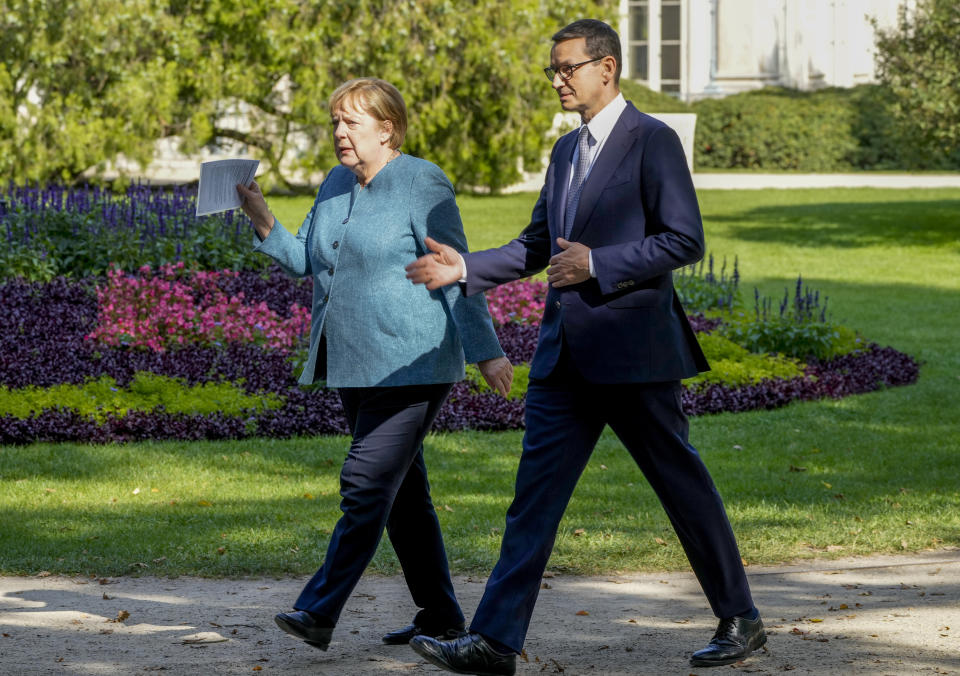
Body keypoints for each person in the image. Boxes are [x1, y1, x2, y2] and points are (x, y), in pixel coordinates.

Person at [404, 19, 764, 675]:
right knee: (533, 499)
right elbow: (536, 246)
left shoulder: (651, 141)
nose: (558, 80)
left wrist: (599, 264)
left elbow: (684, 239)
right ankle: (495, 642)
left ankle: (740, 617)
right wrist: (462, 270)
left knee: (681, 485)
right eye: (553, 70)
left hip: (635, 353)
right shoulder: (566, 154)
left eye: (568, 67)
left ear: (607, 68)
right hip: (563, 357)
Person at [237, 77, 513, 652]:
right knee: (403, 497)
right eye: (335, 122)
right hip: (352, 361)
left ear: (387, 128)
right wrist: (260, 212)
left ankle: (319, 610)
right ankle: (440, 617)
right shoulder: (337, 181)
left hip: (414, 363)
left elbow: (453, 266)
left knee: (365, 483)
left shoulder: (421, 180)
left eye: (351, 122)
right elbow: (302, 260)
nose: (339, 132)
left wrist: (486, 351)